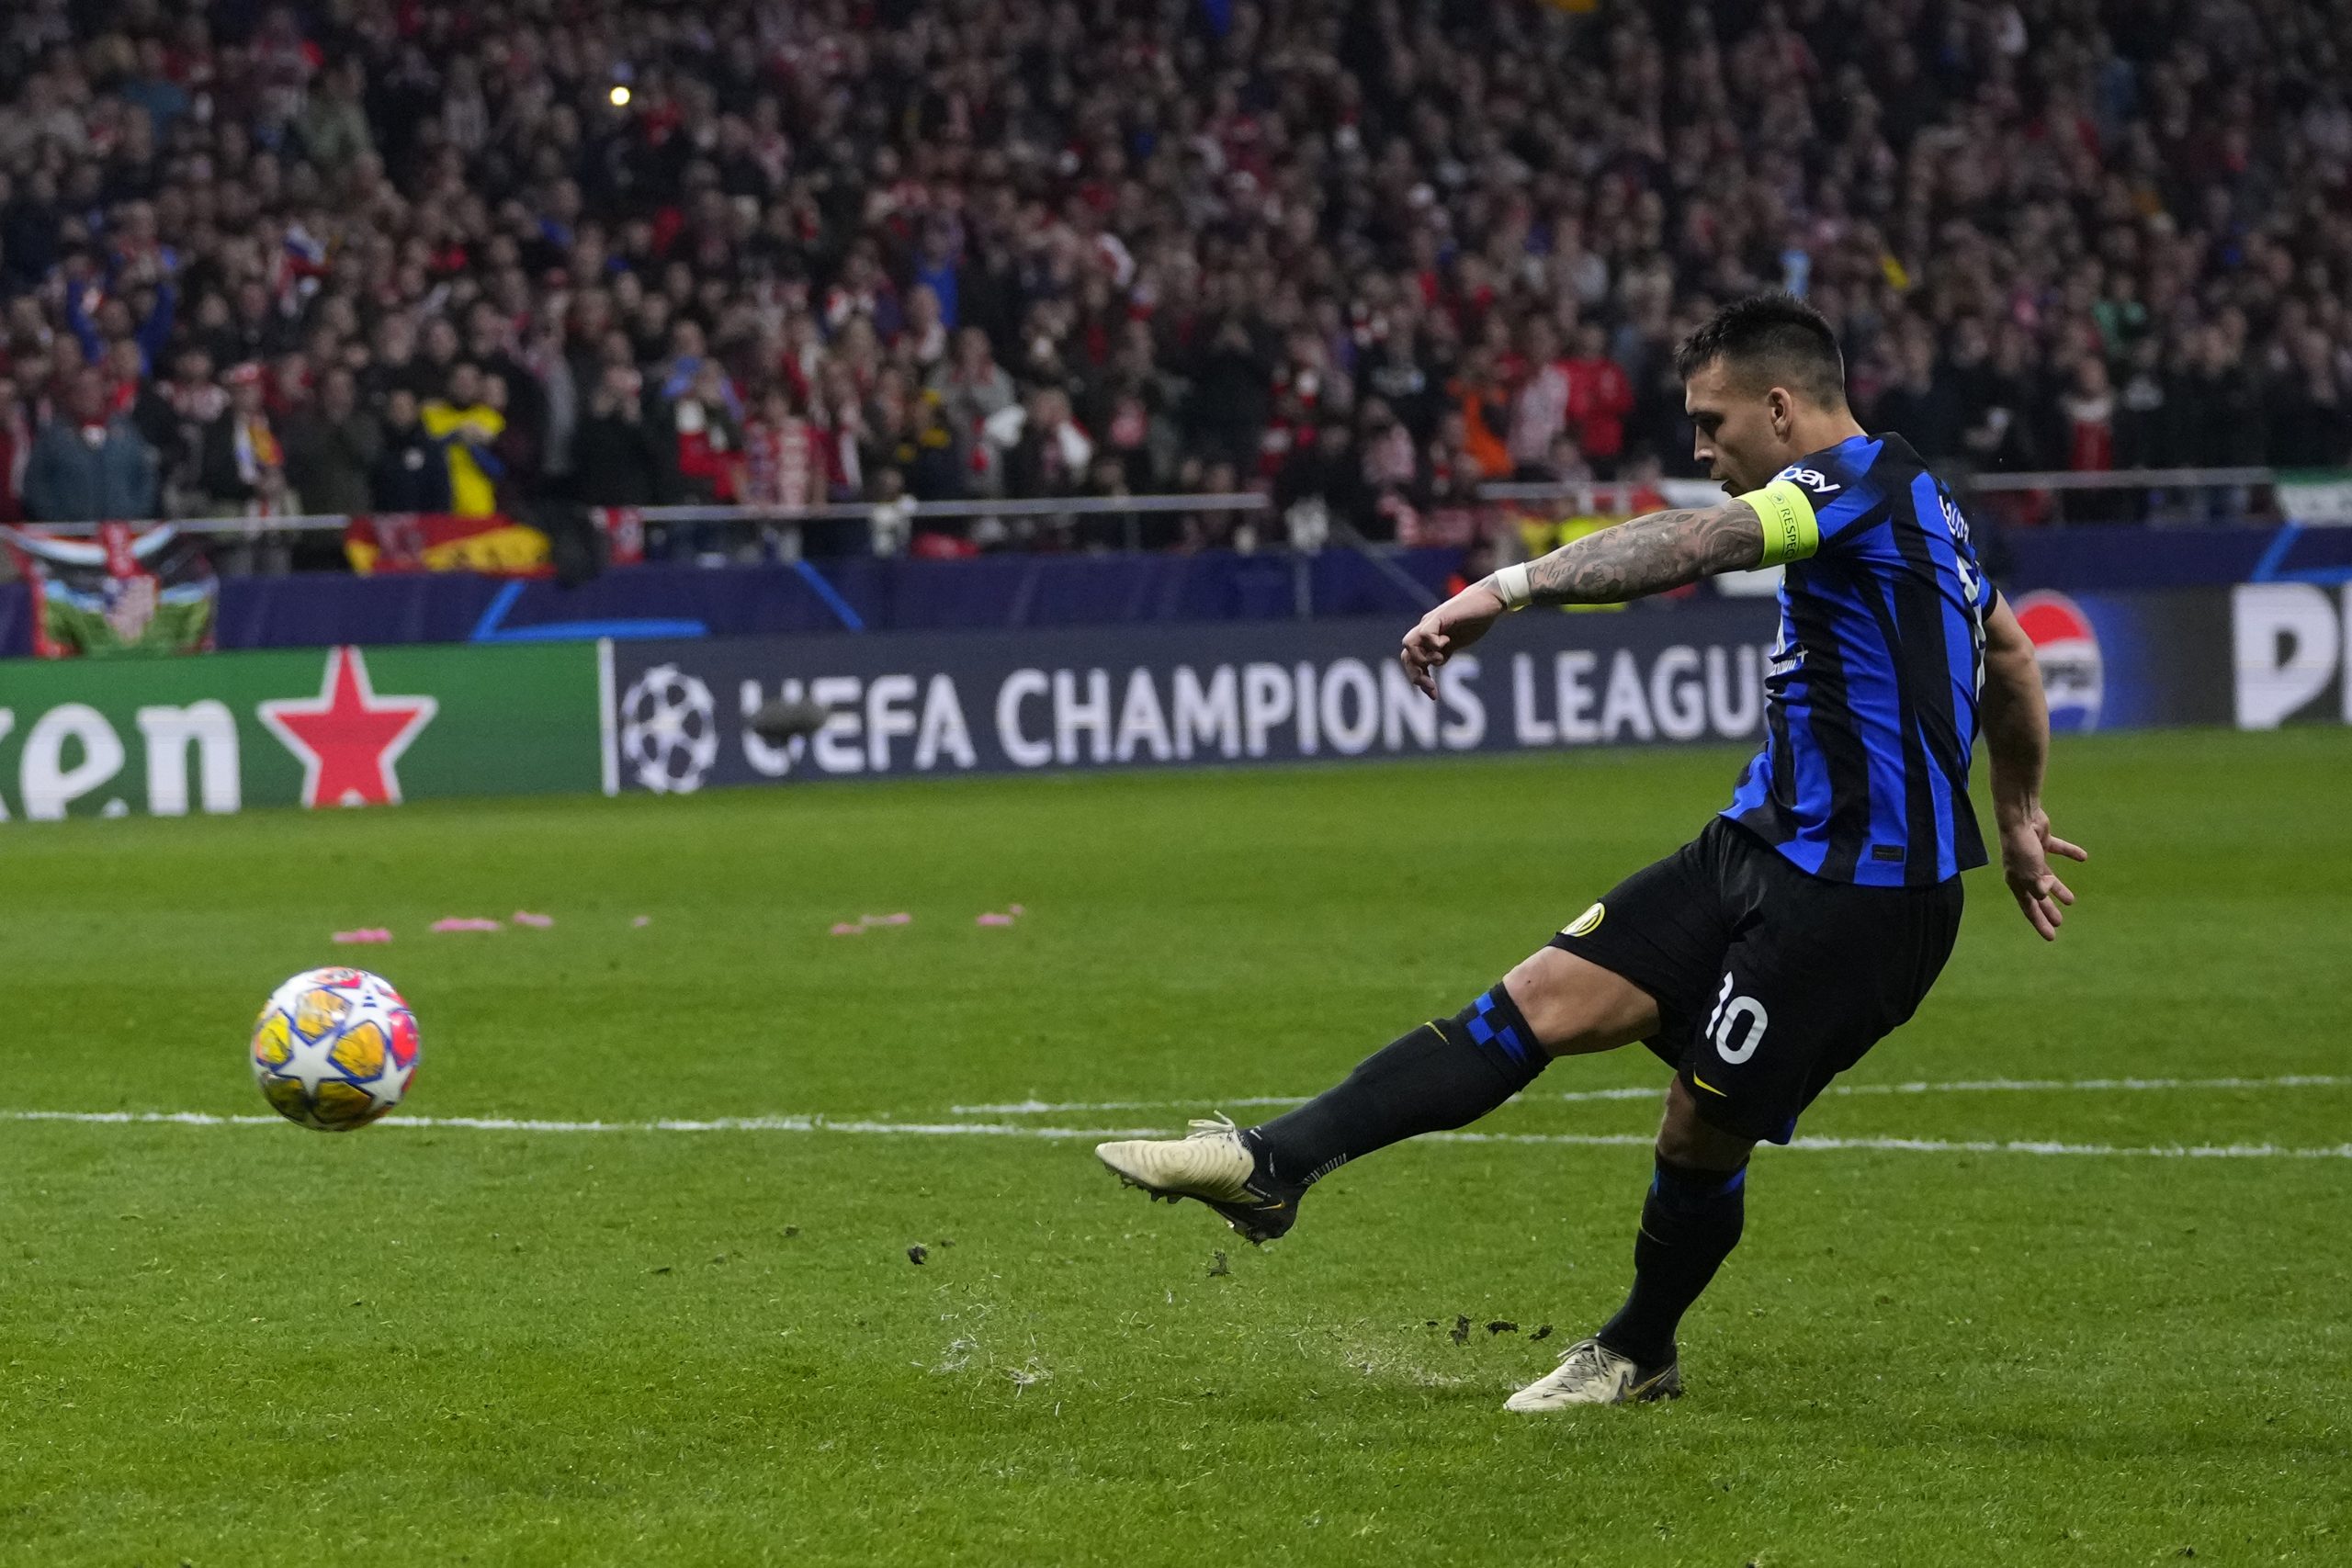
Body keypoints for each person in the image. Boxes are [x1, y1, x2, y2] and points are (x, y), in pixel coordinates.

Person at [1096, 294, 2087, 1411]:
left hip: (1859, 898)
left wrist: (1500, 589)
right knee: (1537, 1001)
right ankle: (1275, 1164)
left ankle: (1636, 1351)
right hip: (1760, 842)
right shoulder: (1923, 504)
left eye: (1713, 425)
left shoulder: (1849, 486)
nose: (1701, 451)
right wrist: (2015, 815)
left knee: (1698, 1128)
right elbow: (2006, 652)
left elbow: (1690, 548)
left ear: (1779, 406)